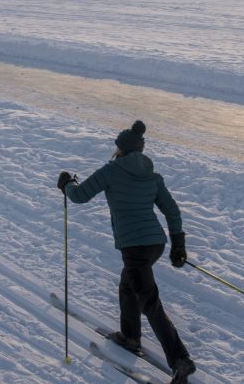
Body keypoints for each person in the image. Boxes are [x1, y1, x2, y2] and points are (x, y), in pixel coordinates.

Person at [58, 120, 196, 384]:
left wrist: (66, 185)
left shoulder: (111, 171)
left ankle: (181, 360)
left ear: (120, 149)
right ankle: (129, 336)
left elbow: (79, 196)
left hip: (134, 247)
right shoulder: (153, 176)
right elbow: (172, 210)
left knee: (150, 303)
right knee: (128, 286)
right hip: (155, 243)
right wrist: (178, 244)